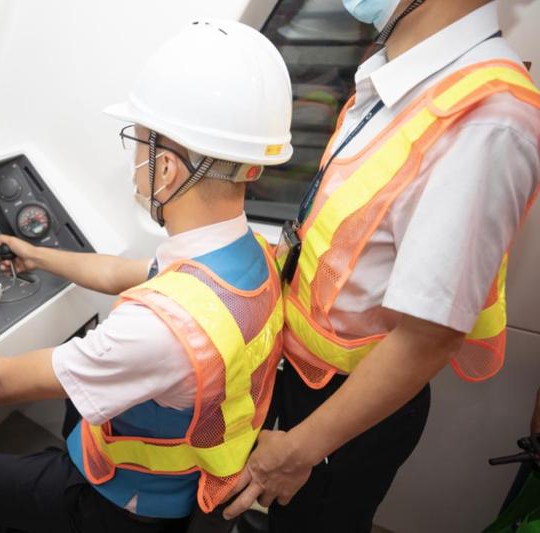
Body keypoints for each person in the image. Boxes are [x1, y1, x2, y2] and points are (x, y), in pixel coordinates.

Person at [0, 20, 293, 533]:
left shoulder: (158, 328)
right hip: (186, 481)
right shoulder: (250, 257)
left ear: (165, 170)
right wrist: (39, 256)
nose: (134, 160)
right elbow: (118, 271)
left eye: (137, 143)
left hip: (120, 505)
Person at [222, 1, 540, 531]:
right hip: (305, 375)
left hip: (347, 407)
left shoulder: (488, 118)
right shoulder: (398, 77)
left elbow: (429, 336)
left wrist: (299, 450)